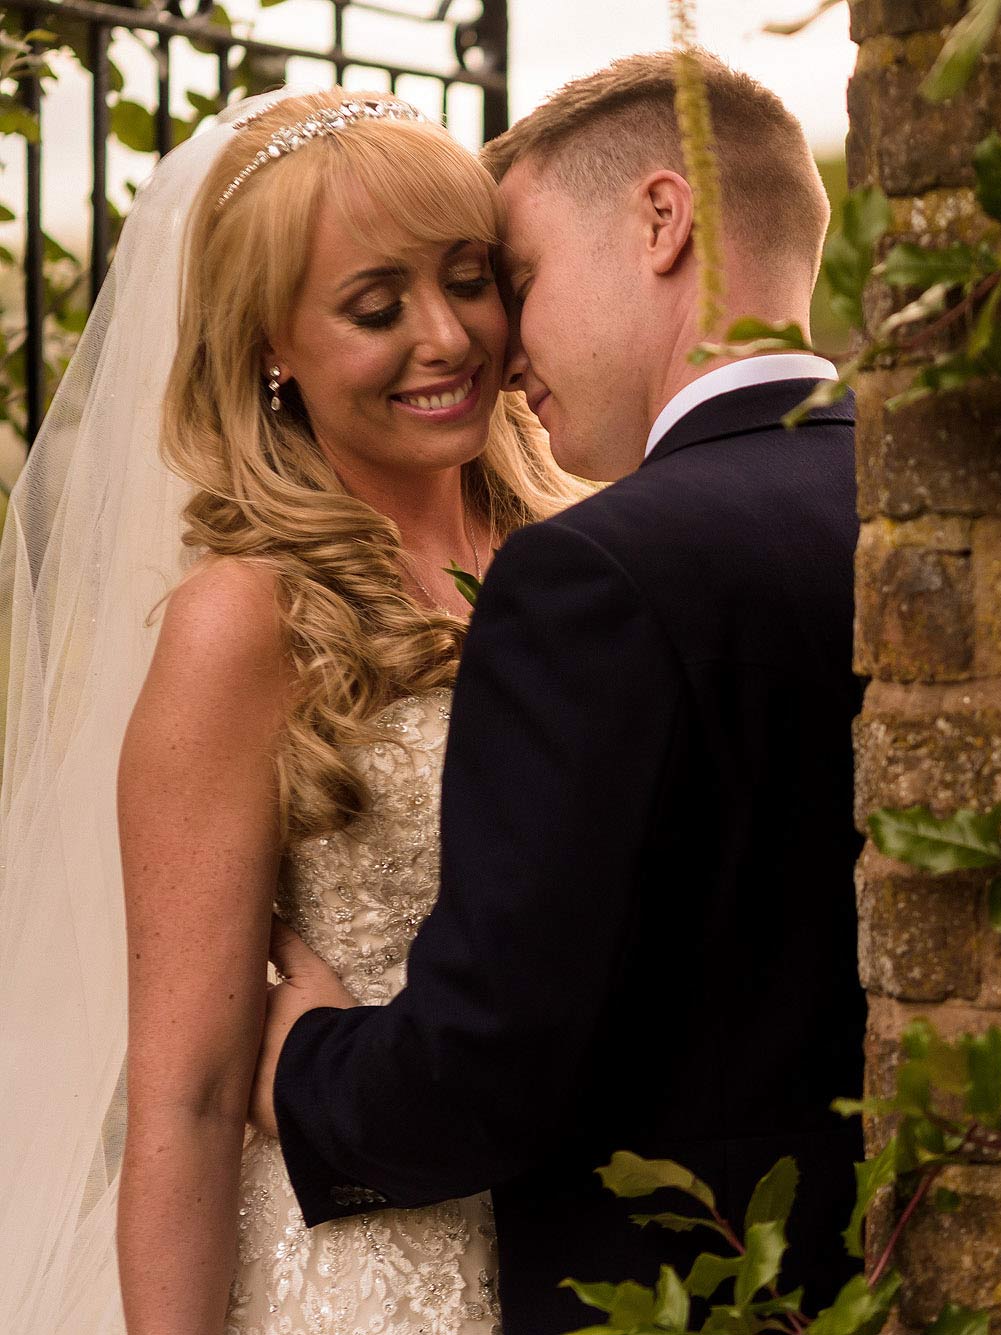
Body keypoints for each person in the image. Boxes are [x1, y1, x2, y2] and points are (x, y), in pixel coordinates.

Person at [250, 51, 868, 1335]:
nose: (500, 345)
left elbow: (487, 1070)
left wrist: (302, 1064)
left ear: (663, 219)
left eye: (512, 281)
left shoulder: (594, 568)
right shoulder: (910, 511)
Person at [0, 89, 583, 1332]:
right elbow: (189, 1097)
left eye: (469, 277)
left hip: (591, 1241)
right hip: (357, 1274)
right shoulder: (247, 620)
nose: (446, 337)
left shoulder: (593, 546)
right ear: (271, 345)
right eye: (376, 308)